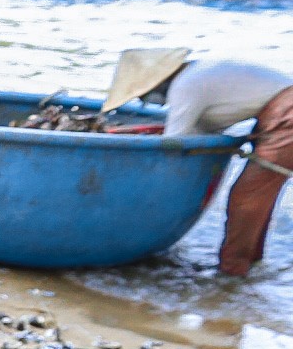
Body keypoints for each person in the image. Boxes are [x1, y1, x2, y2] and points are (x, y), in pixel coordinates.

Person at [103, 49, 293, 277]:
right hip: (279, 111)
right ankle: (251, 262)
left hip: (286, 115)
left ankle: (232, 272)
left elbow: (173, 144)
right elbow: (201, 130)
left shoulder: (185, 86)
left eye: (144, 95)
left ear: (157, 83)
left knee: (247, 197)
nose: (147, 101)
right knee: (261, 192)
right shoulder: (198, 74)